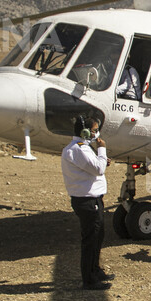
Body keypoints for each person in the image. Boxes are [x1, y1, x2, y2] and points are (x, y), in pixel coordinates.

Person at [61, 115, 114, 290]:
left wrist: (102, 160)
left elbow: (93, 167)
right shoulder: (80, 149)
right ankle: (89, 279)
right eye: (93, 130)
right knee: (91, 239)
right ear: (84, 132)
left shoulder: (81, 148)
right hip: (88, 200)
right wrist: (102, 150)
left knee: (98, 235)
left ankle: (95, 270)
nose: (96, 133)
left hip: (92, 199)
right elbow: (98, 169)